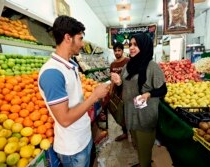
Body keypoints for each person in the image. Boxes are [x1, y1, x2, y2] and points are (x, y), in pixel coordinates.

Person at [38, 15, 109, 167]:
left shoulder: (70, 65)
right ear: (68, 38)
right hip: (72, 148)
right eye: (80, 38)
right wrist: (94, 96)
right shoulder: (52, 73)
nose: (82, 44)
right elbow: (64, 119)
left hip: (83, 137)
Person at [111, 33, 167, 167]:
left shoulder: (152, 66)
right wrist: (119, 83)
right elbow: (124, 88)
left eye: (135, 45)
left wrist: (148, 94)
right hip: (131, 114)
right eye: (130, 44)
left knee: (144, 151)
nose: (131, 47)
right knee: (137, 146)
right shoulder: (128, 66)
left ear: (144, 46)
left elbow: (163, 90)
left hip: (145, 116)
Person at [109, 42, 129, 141]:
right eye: (115, 51)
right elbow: (112, 78)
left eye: (119, 50)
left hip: (127, 91)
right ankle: (125, 132)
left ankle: (132, 134)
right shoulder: (112, 64)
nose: (117, 52)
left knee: (129, 112)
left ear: (122, 51)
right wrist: (111, 90)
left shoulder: (128, 61)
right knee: (120, 113)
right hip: (117, 93)